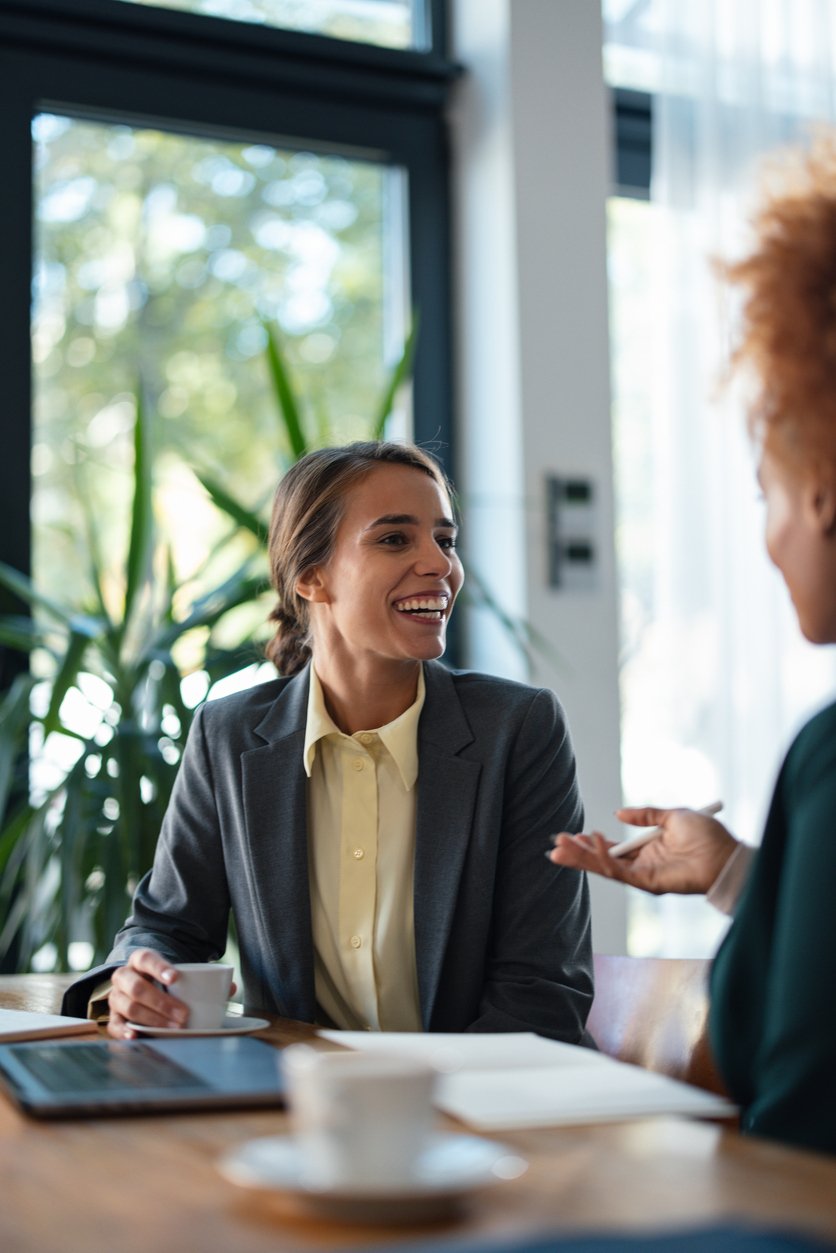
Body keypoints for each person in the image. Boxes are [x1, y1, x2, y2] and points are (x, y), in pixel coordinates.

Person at [63, 440, 594, 1044]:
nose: (440, 564)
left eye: (444, 540)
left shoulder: (519, 728)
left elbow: (543, 987)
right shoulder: (228, 736)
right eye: (395, 539)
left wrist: (429, 1111)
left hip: (488, 1105)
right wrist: (135, 982)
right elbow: (168, 927)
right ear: (311, 576)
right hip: (304, 1100)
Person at [549, 137, 836, 1155]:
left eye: (763, 493)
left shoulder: (824, 752)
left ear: (821, 492)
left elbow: (790, 1095)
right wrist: (734, 873)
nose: (765, 541)